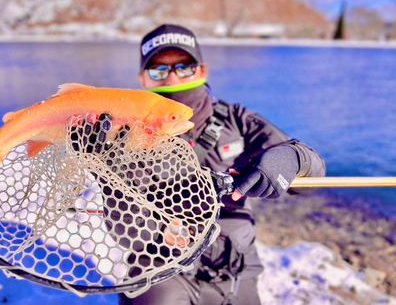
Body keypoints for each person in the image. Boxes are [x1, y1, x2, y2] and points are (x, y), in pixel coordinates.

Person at [118, 24, 326, 305]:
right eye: (159, 70)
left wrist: (293, 158)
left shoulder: (237, 120)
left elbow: (312, 174)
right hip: (162, 269)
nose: (172, 77)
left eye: (184, 66)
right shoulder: (126, 131)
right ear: (144, 78)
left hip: (236, 268)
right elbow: (121, 219)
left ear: (201, 70)